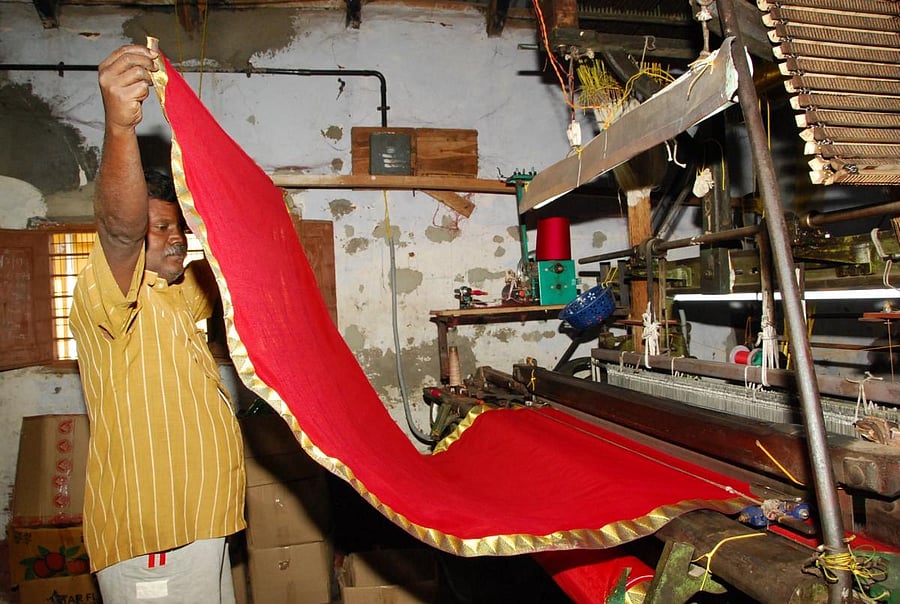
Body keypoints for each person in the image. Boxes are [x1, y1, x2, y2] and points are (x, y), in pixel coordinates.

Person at [69, 44, 246, 603]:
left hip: (202, 524)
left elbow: (230, 268)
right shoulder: (110, 298)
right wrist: (121, 128)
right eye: (159, 228)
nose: (174, 237)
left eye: (177, 227)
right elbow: (121, 230)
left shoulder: (174, 297)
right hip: (156, 532)